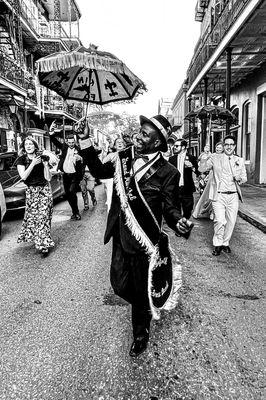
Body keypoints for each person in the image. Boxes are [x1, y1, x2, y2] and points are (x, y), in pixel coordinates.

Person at [78, 115, 193, 357]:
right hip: (120, 234)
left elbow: (170, 208)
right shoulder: (123, 157)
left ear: (158, 143)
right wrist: (85, 138)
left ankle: (141, 332)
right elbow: (98, 169)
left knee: (141, 288)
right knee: (119, 285)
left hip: (144, 241)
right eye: (139, 131)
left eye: (145, 135)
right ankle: (145, 305)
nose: (138, 137)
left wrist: (178, 222)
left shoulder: (169, 172)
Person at [204, 135, 247, 256]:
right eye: (226, 144)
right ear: (223, 146)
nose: (228, 147)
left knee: (231, 221)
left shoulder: (239, 160)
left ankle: (225, 242)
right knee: (219, 220)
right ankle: (217, 244)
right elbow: (202, 169)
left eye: (231, 144)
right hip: (219, 195)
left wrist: (240, 179)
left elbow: (244, 178)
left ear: (234, 146)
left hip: (233, 196)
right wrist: (205, 156)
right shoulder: (215, 158)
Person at [16, 137, 54, 255]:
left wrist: (46, 165)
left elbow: (48, 178)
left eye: (31, 144)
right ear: (23, 147)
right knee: (34, 218)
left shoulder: (42, 157)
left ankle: (43, 243)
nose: (28, 146)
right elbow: (23, 177)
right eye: (26, 144)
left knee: (44, 216)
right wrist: (32, 163)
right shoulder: (21, 160)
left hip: (44, 190)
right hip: (31, 191)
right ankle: (40, 241)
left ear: (35, 146)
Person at [49, 121, 83, 220]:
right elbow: (54, 141)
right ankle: (74, 212)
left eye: (73, 142)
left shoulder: (78, 149)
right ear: (67, 142)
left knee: (72, 191)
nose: (71, 144)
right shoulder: (64, 147)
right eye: (70, 142)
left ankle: (77, 213)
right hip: (65, 174)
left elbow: (85, 159)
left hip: (75, 175)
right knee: (68, 194)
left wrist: (80, 158)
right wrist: (51, 132)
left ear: (75, 142)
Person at [168, 139, 199, 219]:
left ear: (184, 147)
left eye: (177, 146)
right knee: (175, 211)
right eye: (174, 146)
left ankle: (185, 224)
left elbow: (198, 172)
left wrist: (192, 166)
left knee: (188, 211)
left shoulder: (192, 158)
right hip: (175, 189)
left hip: (187, 189)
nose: (174, 147)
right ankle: (178, 228)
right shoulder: (171, 159)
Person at [193, 141, 224, 219]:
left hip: (223, 179)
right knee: (211, 196)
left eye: (220, 147)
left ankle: (216, 213)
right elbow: (206, 167)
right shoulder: (212, 156)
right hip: (213, 179)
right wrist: (204, 163)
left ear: (223, 148)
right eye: (217, 147)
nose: (218, 149)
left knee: (221, 198)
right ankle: (211, 212)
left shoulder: (225, 156)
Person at [101, 137, 125, 212]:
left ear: (125, 145)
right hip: (112, 181)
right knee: (111, 201)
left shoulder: (128, 154)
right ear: (114, 146)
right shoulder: (111, 155)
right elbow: (103, 163)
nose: (120, 143)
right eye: (118, 142)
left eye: (122, 142)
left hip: (125, 181)